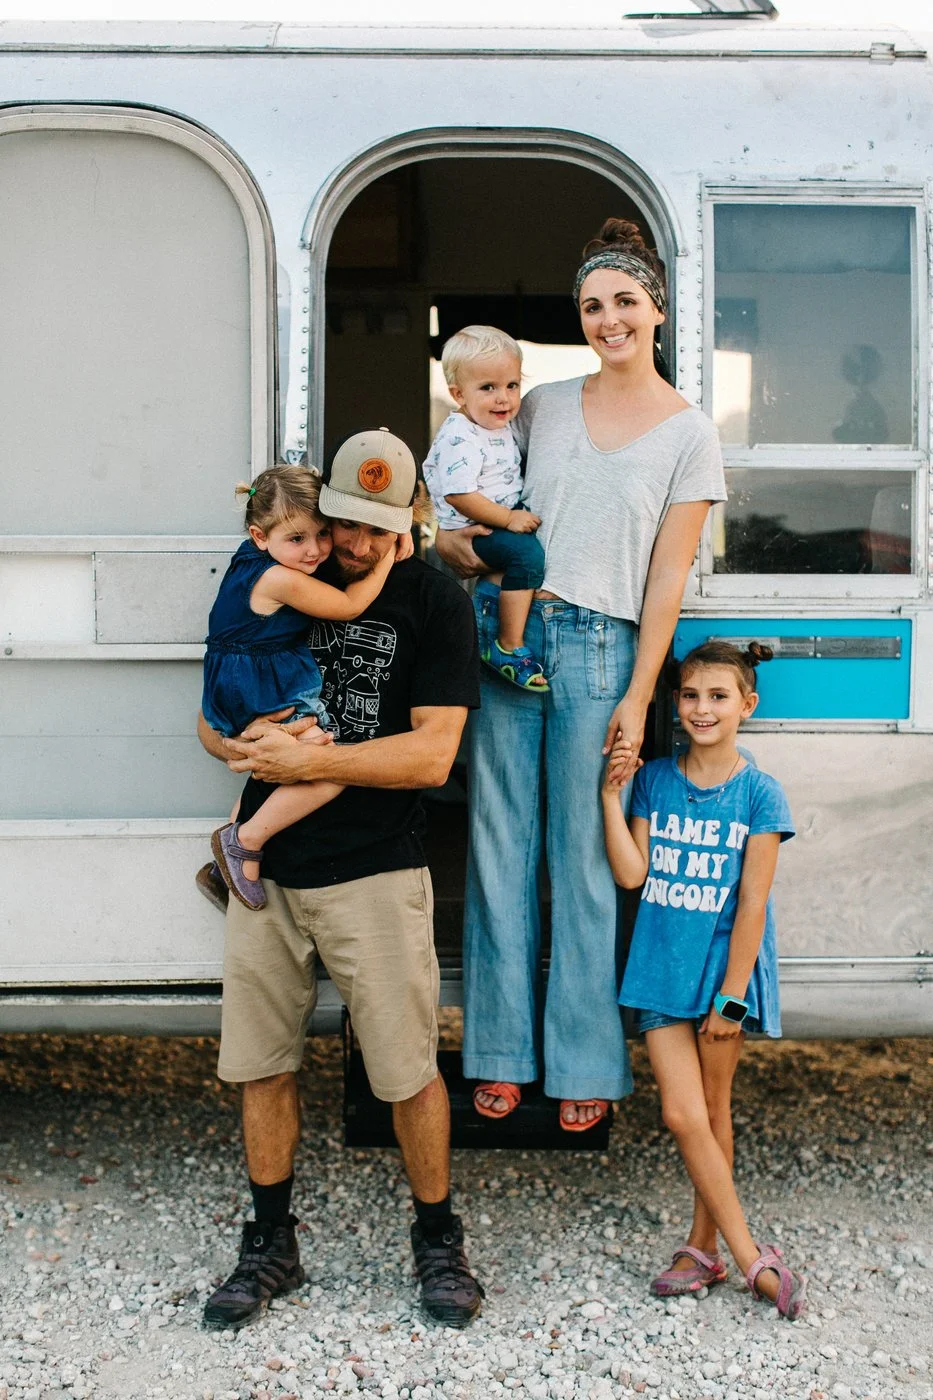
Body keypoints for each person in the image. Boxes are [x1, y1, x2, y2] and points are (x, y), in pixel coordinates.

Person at [434, 218, 727, 1131]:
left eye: (624, 303)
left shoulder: (689, 434)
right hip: (507, 642)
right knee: (497, 848)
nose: (608, 320)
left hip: (605, 648)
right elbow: (464, 495)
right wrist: (452, 547)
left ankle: (585, 1059)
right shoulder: (539, 404)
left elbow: (667, 578)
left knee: (584, 858)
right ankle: (497, 1054)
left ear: (657, 310)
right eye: (592, 305)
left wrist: (642, 699)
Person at [196, 428, 484, 1331]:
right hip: (267, 867)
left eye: (370, 528)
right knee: (261, 1067)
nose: (348, 545)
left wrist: (308, 760)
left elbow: (435, 755)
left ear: (407, 518)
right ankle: (270, 1243)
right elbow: (211, 711)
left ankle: (437, 1238)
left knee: (407, 1072)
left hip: (377, 869)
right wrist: (244, 748)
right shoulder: (279, 570)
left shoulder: (436, 602)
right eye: (338, 523)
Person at [604, 640, 806, 1320]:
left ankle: (701, 1247)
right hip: (660, 968)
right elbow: (632, 874)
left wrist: (731, 993)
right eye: (689, 696)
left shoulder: (759, 793)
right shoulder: (656, 780)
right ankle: (751, 1258)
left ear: (746, 704)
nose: (700, 708)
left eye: (717, 696)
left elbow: (752, 903)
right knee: (680, 1114)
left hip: (723, 977)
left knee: (713, 1113)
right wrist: (611, 798)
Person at [201, 464, 404, 910]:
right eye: (297, 539)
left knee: (271, 769)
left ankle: (222, 866)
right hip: (259, 684)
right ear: (260, 536)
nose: (314, 551)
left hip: (230, 682)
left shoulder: (250, 558)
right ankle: (245, 842)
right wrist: (388, 553)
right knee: (326, 764)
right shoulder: (279, 578)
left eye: (321, 535)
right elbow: (349, 606)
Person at [423, 325, 547, 691]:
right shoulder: (460, 435)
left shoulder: (494, 424)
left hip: (497, 515)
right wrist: (510, 518)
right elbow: (460, 495)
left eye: (511, 385)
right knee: (527, 557)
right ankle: (507, 645)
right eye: (488, 388)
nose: (503, 399)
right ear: (458, 393)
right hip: (474, 528)